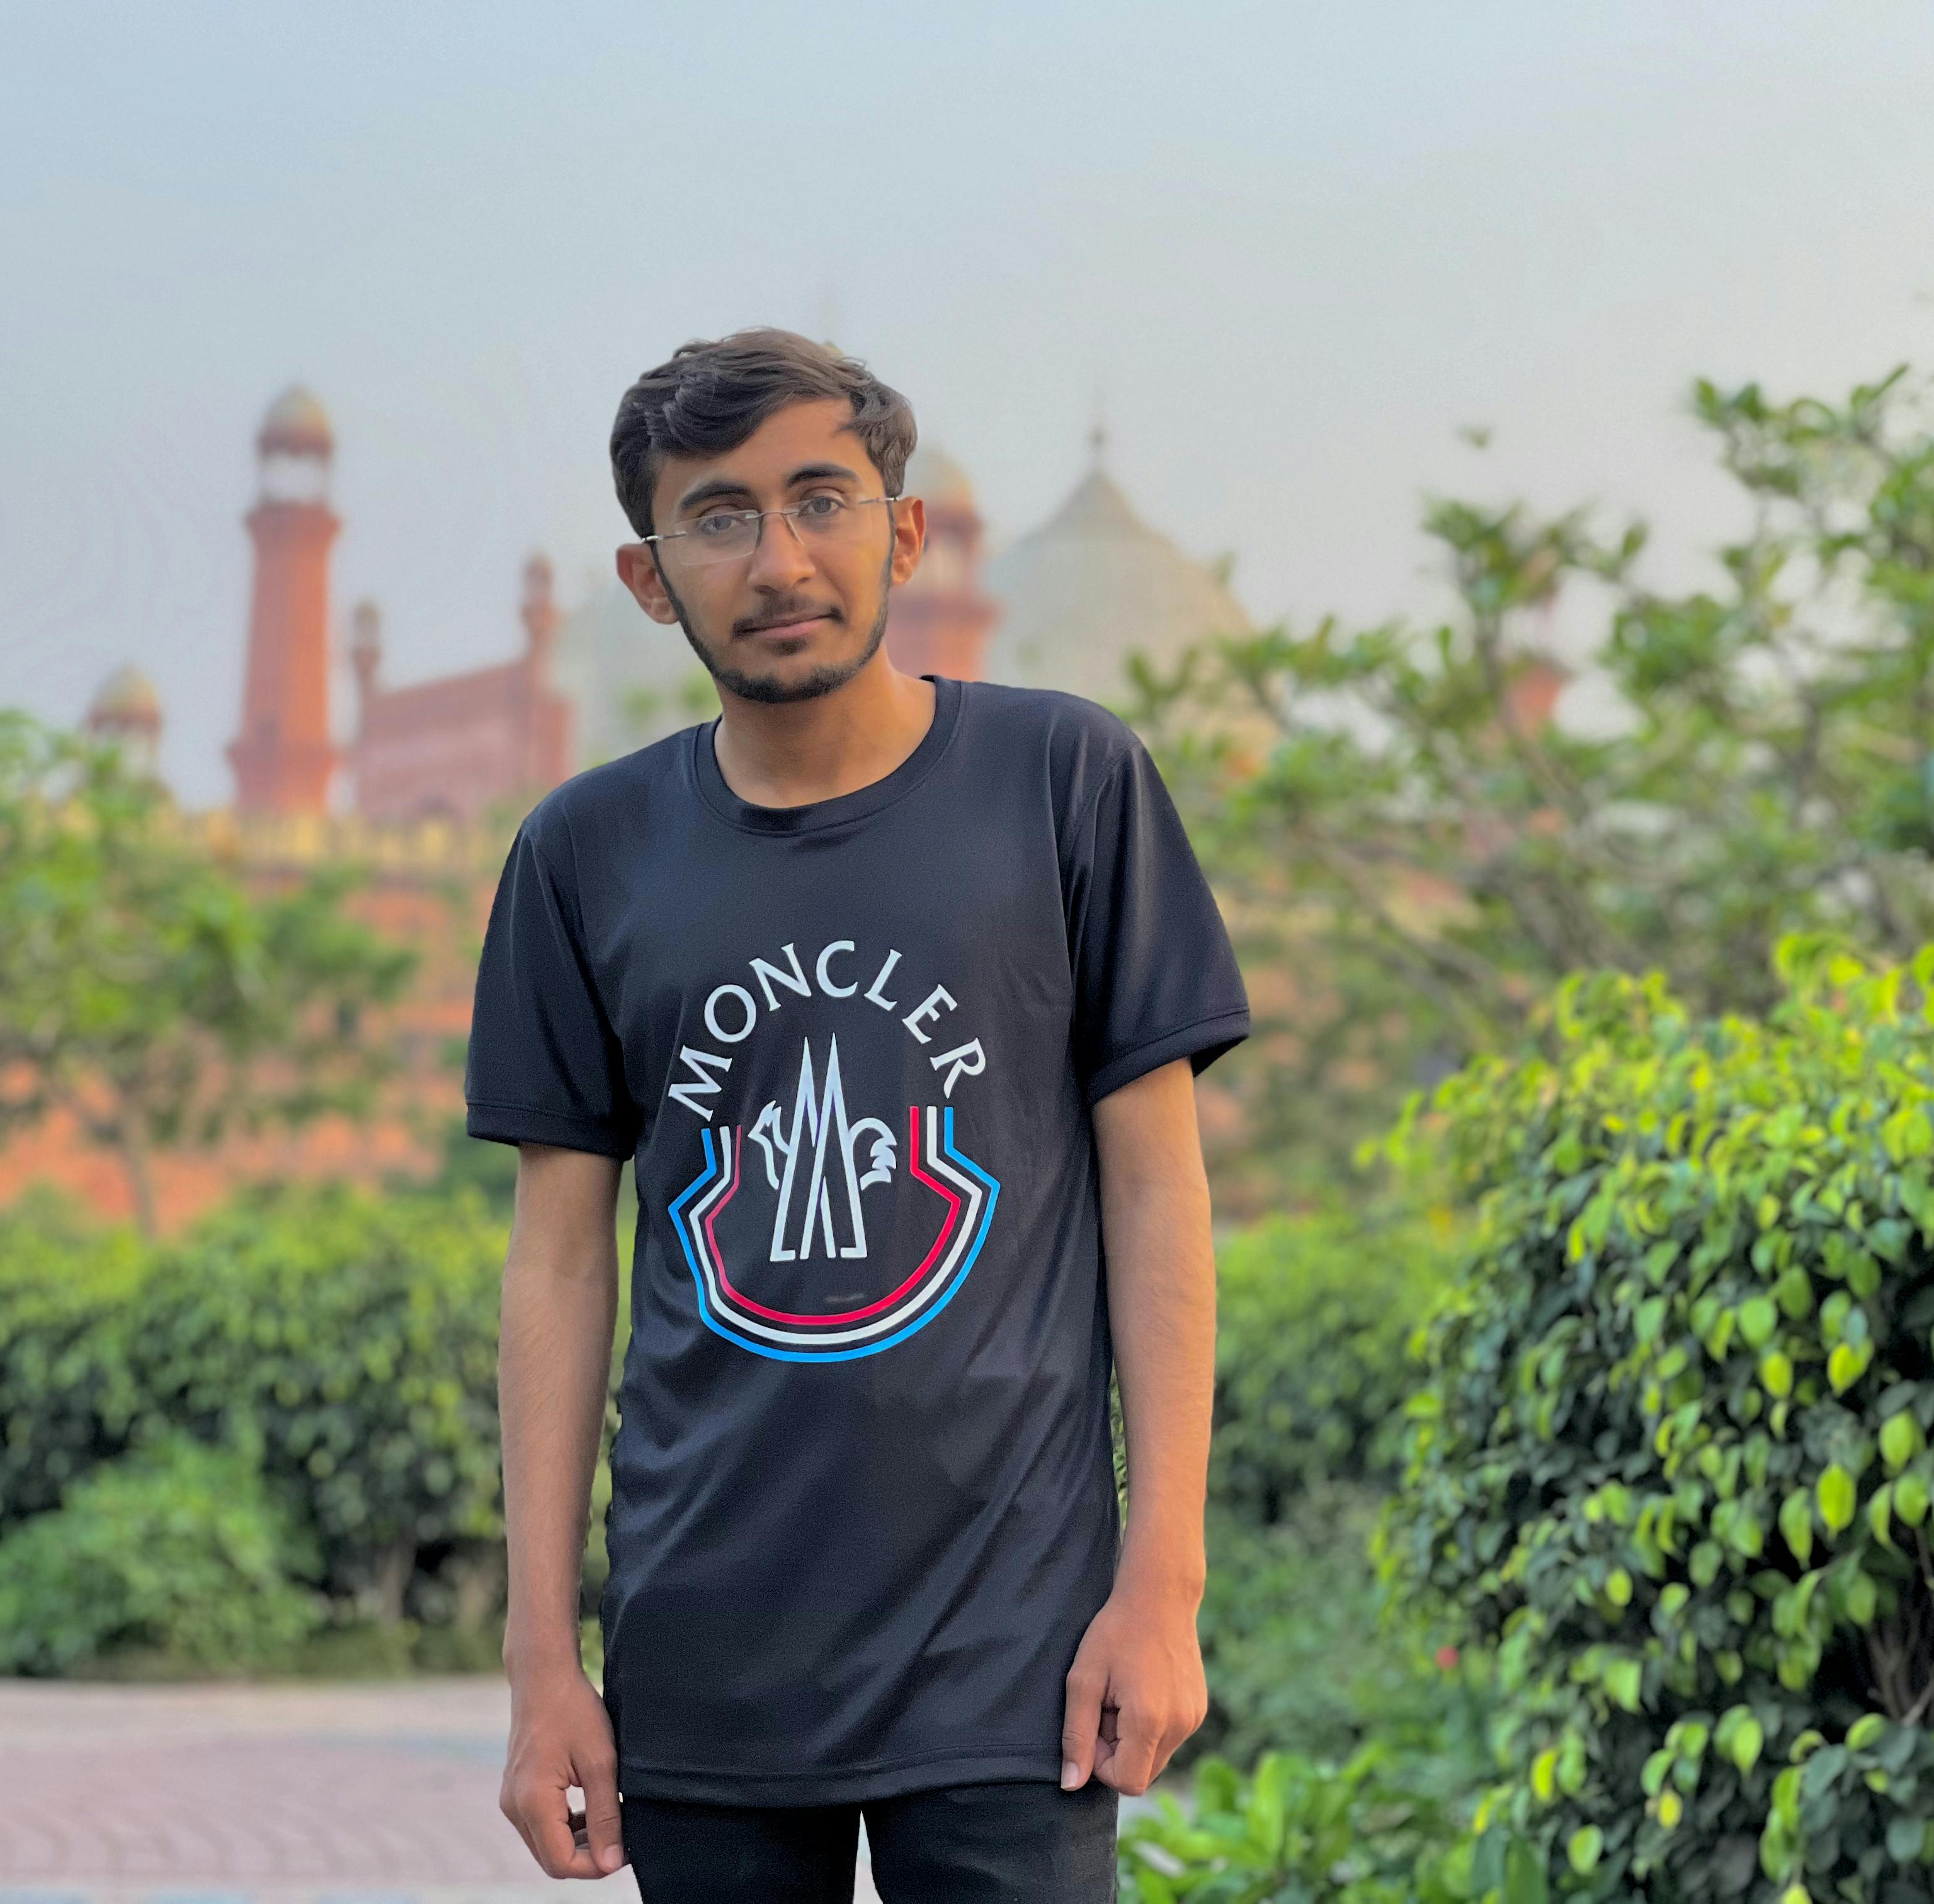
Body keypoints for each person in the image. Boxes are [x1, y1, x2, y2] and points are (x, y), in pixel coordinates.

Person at [467, 328, 1249, 1902]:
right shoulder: (586, 854)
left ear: (903, 532)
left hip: (1010, 1653)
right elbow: (558, 1263)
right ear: (649, 578)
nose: (778, 557)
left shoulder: (1063, 783)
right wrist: (541, 1659)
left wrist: (1163, 1580)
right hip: (709, 1651)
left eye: (821, 499)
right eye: (721, 515)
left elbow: (1159, 1196)